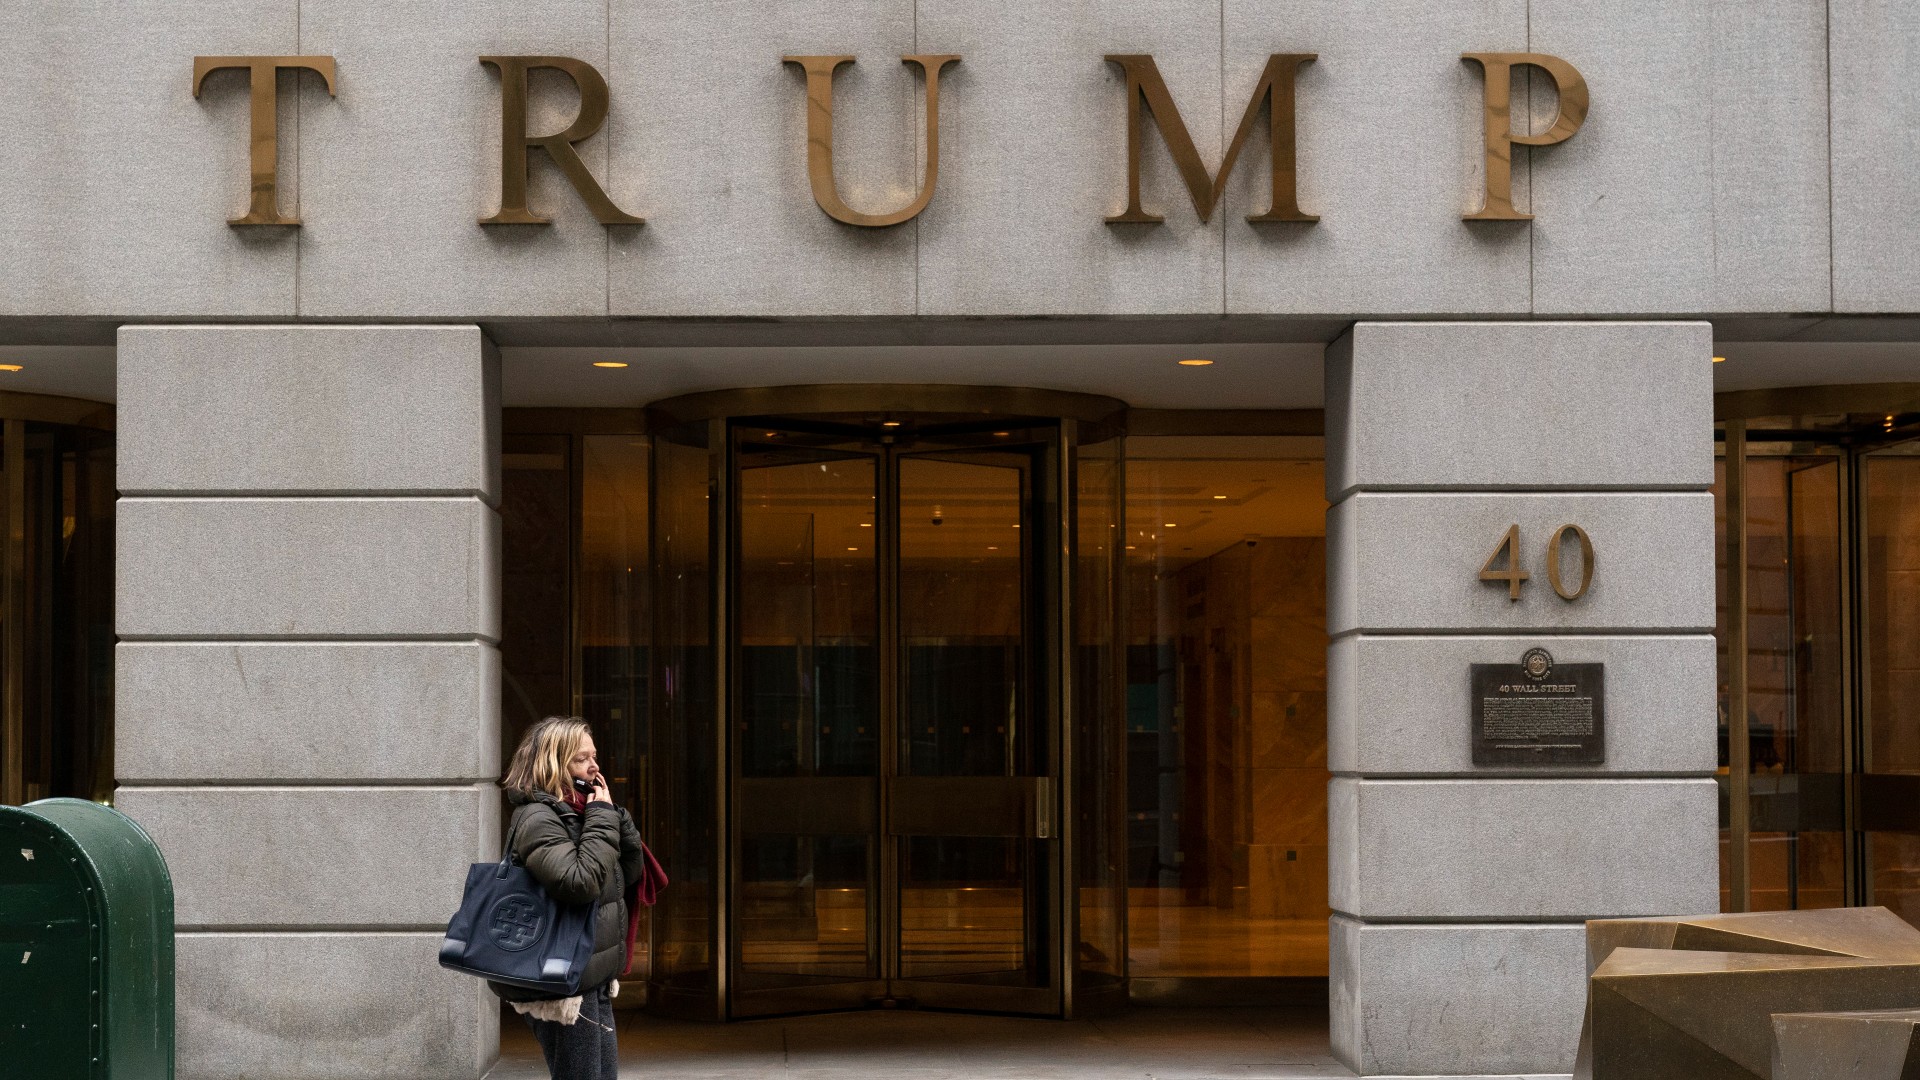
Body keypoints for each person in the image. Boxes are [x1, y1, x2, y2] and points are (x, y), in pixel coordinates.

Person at [494, 716, 648, 1080]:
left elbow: (623, 877)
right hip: (562, 988)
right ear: (554, 765)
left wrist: (615, 820)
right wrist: (601, 819)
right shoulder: (538, 818)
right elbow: (579, 883)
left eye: (594, 756)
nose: (595, 766)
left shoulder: (581, 814)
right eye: (582, 759)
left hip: (590, 977)